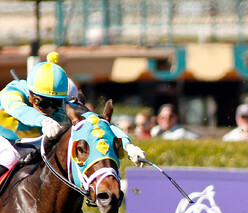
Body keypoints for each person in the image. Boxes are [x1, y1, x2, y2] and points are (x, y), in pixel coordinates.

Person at [0, 52, 146, 178]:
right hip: (3, 138)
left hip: (26, 143)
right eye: (42, 103)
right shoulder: (14, 91)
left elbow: (99, 124)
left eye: (55, 103)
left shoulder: (65, 107)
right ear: (30, 93)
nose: (49, 109)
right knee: (9, 156)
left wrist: (128, 145)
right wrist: (44, 121)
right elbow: (19, 110)